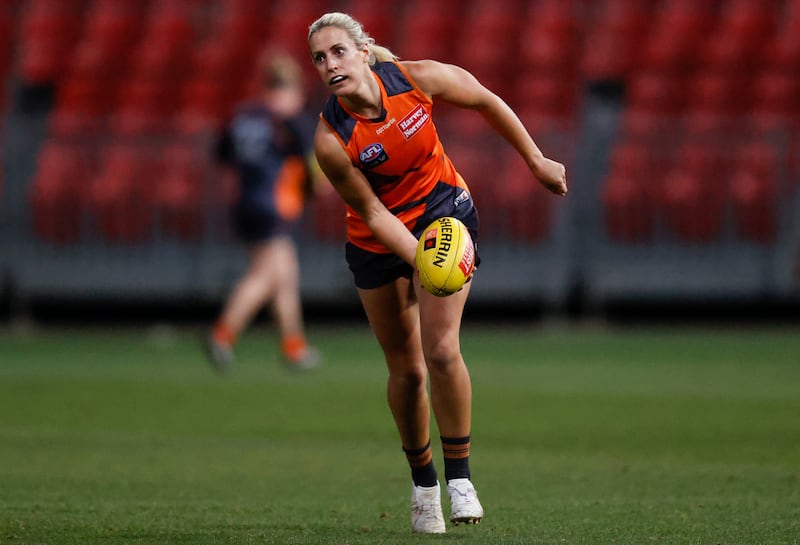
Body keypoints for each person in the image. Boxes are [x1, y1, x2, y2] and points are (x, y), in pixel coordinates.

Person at [307, 12, 567, 534]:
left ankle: (460, 479)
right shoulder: (332, 140)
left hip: (443, 210)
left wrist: (535, 160)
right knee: (406, 370)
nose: (330, 64)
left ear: (362, 52)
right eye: (319, 58)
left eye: (338, 51)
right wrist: (420, 258)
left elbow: (486, 99)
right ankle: (423, 482)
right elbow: (375, 215)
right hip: (377, 238)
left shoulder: (416, 78)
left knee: (442, 348)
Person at [205, 49, 323, 373]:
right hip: (273, 203)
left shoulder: (244, 115)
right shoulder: (288, 119)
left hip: (245, 201)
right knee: (264, 275)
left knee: (285, 274)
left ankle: (293, 346)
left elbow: (221, 154)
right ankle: (223, 333)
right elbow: (312, 160)